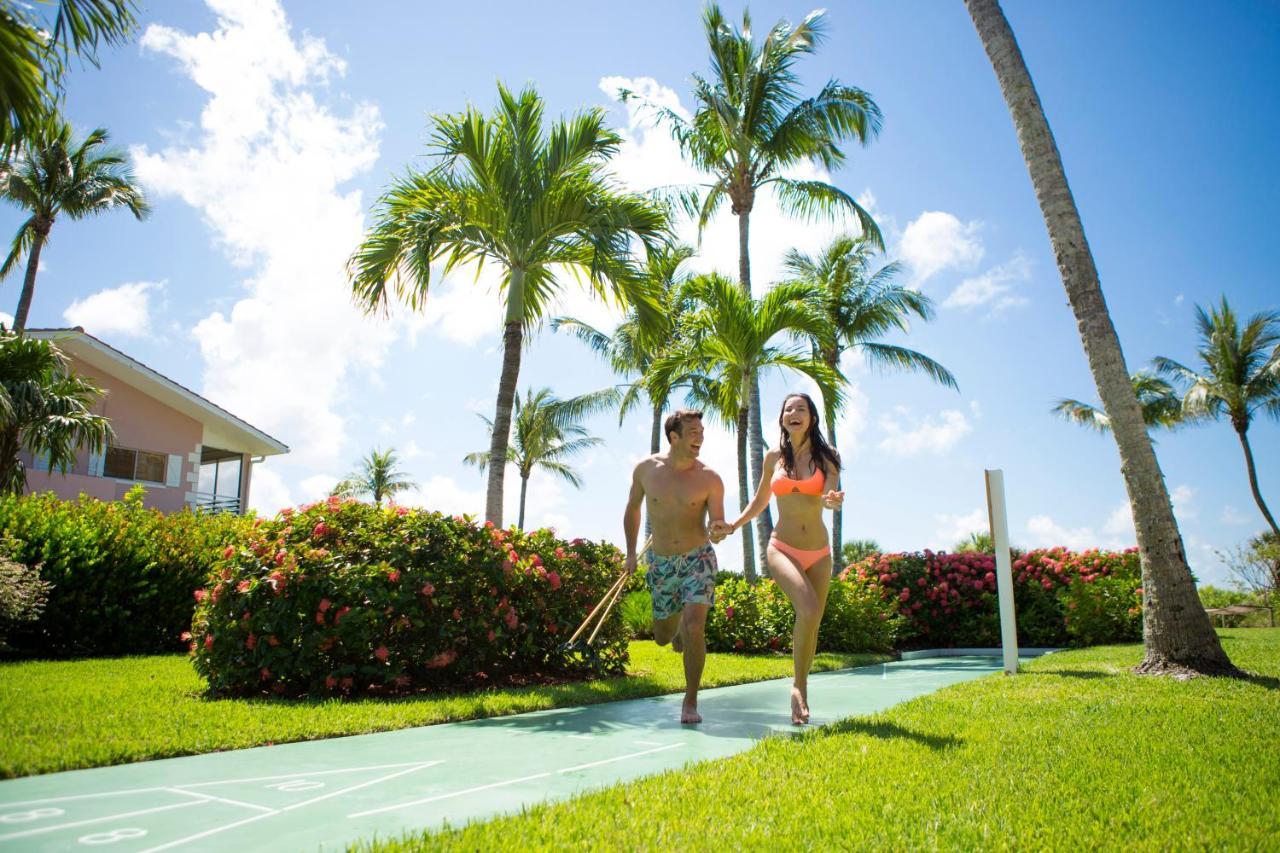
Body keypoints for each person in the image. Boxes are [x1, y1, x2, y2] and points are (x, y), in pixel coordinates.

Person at [714, 393, 844, 725]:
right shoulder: (773, 458)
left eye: (801, 408)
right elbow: (760, 501)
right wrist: (733, 524)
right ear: (782, 419)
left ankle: (802, 687)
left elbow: (829, 497)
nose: (794, 413)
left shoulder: (829, 457)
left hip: (819, 552)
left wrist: (832, 500)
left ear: (811, 418)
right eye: (788, 409)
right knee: (809, 609)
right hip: (782, 547)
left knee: (812, 622)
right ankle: (798, 689)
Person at [623, 409, 729, 724]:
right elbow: (632, 511)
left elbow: (717, 521)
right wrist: (631, 554)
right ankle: (677, 622)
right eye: (693, 432)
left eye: (702, 431)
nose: (700, 437)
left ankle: (690, 701)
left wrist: (719, 530)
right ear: (674, 437)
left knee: (695, 626)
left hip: (698, 558)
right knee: (662, 636)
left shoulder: (710, 478)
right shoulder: (646, 470)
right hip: (661, 562)